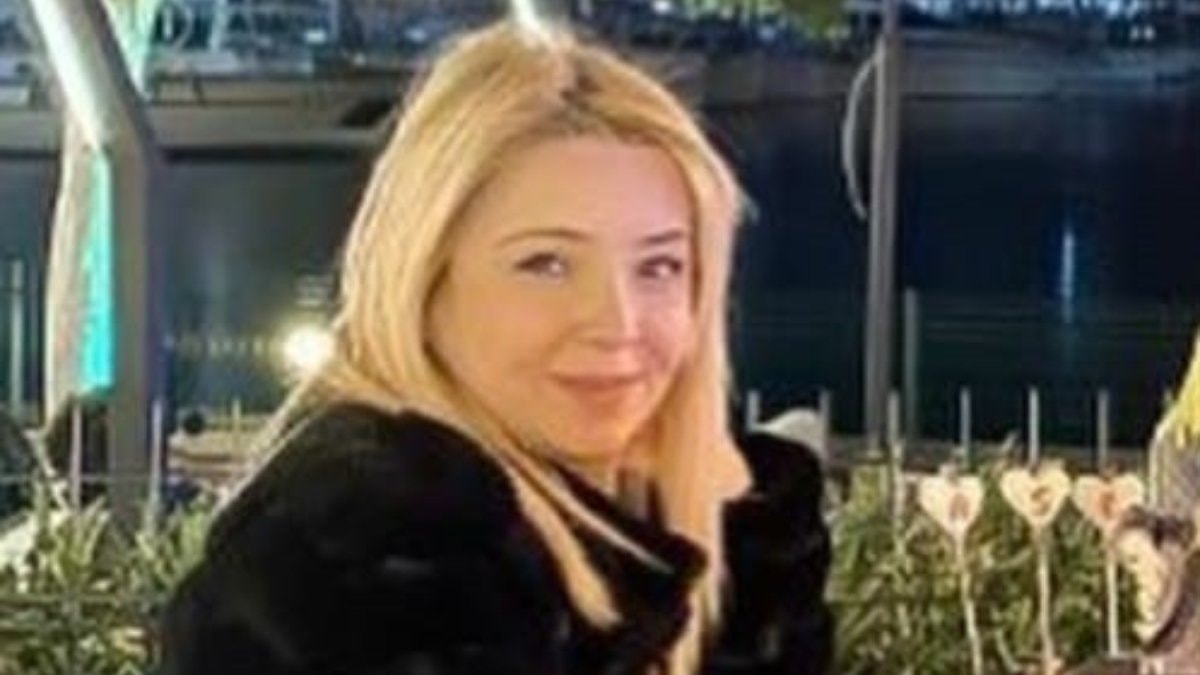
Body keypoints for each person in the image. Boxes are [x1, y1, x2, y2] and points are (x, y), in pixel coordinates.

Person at [158, 19, 831, 675]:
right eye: (546, 263)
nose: (617, 322)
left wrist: (743, 545)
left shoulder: (656, 529)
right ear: (427, 279)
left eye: (658, 266)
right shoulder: (368, 550)